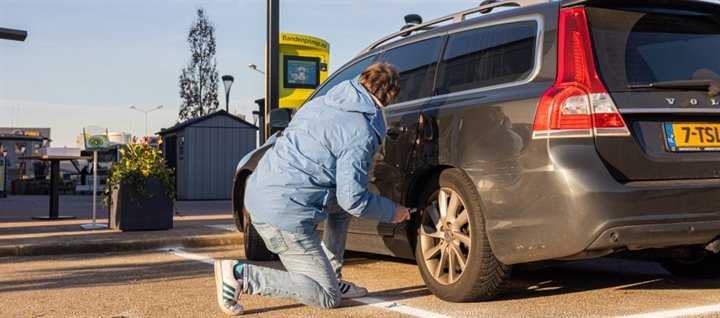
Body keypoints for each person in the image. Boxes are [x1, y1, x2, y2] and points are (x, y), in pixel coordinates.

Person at [214, 63, 411, 315]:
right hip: (282, 215)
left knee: (339, 208)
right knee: (327, 297)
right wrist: (392, 211)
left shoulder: (320, 104)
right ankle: (241, 276)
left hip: (260, 192)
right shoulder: (361, 131)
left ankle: (331, 274)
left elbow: (342, 200)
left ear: (361, 80)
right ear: (391, 97)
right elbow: (354, 199)